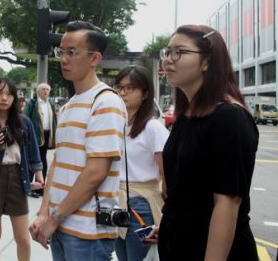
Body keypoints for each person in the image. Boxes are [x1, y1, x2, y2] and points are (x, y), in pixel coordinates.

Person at [152, 25, 258, 259]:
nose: (169, 60)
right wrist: (170, 227)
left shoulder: (230, 117)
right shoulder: (186, 116)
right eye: (167, 52)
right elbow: (188, 194)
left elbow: (228, 203)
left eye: (179, 52)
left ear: (207, 62)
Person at [29, 21, 127, 260]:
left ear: (95, 58)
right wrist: (44, 213)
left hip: (88, 234)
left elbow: (95, 173)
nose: (63, 59)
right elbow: (57, 164)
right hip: (60, 227)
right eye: (61, 51)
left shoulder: (106, 102)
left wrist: (54, 218)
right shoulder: (69, 105)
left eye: (72, 52)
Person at [0, 78, 44, 261]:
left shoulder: (24, 122)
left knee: (22, 237)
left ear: (14, 98)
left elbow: (34, 150)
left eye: (9, 94)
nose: (4, 98)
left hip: (17, 178)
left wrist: (39, 175)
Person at [112, 66, 168, 261]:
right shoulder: (116, 125)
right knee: (123, 258)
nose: (122, 93)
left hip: (141, 208)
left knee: (140, 258)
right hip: (116, 205)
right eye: (119, 87)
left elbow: (167, 174)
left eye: (130, 88)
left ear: (145, 94)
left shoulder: (153, 128)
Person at [23, 82, 57, 197]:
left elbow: (54, 120)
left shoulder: (51, 104)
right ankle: (30, 186)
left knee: (43, 160)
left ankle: (40, 186)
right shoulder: (32, 103)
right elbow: (25, 118)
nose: (45, 91)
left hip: (47, 135)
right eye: (43, 89)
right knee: (33, 160)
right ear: (38, 91)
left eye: (47, 89)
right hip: (34, 136)